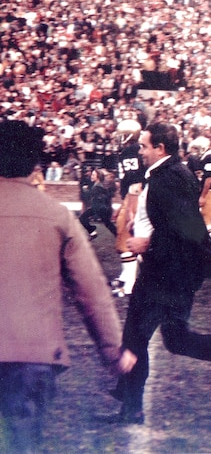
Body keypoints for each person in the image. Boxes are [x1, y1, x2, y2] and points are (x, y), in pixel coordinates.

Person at [109, 123, 211, 424]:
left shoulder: (172, 178)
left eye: (144, 146)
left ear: (160, 149)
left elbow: (188, 231)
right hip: (173, 272)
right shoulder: (169, 174)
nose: (140, 151)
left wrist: (146, 243)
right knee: (177, 339)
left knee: (135, 338)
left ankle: (131, 406)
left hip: (166, 273)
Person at [0, 120, 135, 451]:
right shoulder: (57, 215)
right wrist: (112, 351)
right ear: (35, 163)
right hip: (32, 356)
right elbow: (91, 292)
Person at [111, 119, 145, 298]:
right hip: (133, 197)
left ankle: (130, 284)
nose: (118, 138)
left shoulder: (131, 151)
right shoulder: (132, 150)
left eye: (121, 135)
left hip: (136, 197)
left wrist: (130, 207)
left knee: (126, 237)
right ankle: (126, 277)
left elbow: (135, 182)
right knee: (125, 234)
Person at [78, 168, 118, 239]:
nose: (91, 176)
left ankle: (92, 231)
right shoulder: (98, 185)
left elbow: (98, 197)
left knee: (82, 218)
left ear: (98, 177)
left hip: (99, 208)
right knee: (108, 224)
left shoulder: (97, 187)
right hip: (100, 208)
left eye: (93, 175)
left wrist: (86, 191)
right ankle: (117, 235)